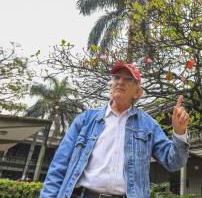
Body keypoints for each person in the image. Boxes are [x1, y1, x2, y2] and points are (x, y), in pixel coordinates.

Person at [40, 62, 190, 198]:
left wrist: (179, 131)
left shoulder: (148, 125)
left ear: (138, 92)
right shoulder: (85, 120)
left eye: (128, 79)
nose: (120, 82)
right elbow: (59, 167)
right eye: (117, 77)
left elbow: (174, 162)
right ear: (111, 85)